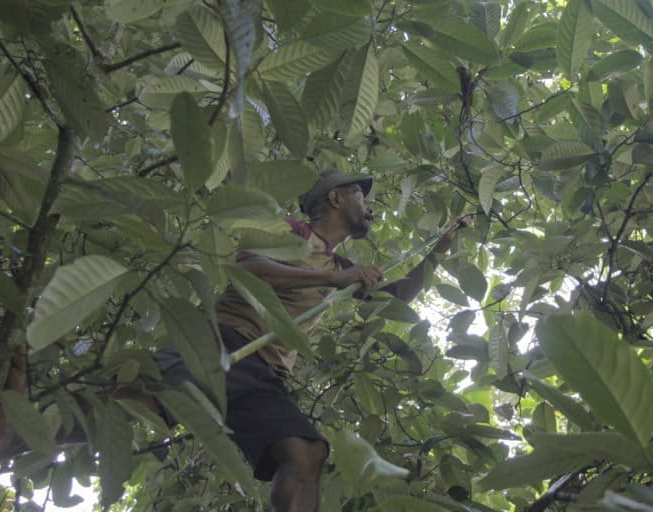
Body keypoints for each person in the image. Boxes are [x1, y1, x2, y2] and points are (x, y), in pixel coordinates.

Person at [157, 168, 470, 512]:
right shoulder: (290, 230)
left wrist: (439, 249)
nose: (370, 208)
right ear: (336, 198)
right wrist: (331, 278)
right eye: (361, 197)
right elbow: (248, 270)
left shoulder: (339, 266)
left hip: (265, 373)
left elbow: (397, 296)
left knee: (306, 453)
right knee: (142, 401)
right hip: (220, 341)